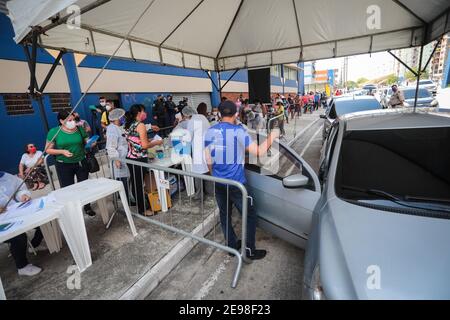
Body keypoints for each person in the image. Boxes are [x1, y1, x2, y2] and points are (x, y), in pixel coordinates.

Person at [204, 100, 279, 260]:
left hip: (219, 182)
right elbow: (258, 151)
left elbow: (208, 158)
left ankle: (231, 247)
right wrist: (272, 136)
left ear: (219, 114)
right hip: (237, 183)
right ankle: (249, 251)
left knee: (225, 215)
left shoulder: (210, 131)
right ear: (236, 114)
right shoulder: (238, 131)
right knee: (250, 214)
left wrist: (214, 175)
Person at [45, 110, 97, 217]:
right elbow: (48, 150)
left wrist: (92, 143)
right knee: (68, 188)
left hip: (81, 162)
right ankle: (73, 211)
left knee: (84, 186)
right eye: (69, 120)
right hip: (64, 164)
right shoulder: (54, 132)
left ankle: (87, 207)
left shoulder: (79, 129)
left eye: (73, 119)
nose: (72, 122)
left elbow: (87, 141)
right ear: (61, 121)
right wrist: (62, 152)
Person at [0, 171, 45, 276]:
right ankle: (22, 266)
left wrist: (22, 195)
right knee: (18, 236)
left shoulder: (7, 177)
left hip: (15, 213)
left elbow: (19, 189)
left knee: (43, 220)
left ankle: (34, 244)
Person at [124, 104, 163, 216]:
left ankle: (140, 206)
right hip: (139, 159)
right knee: (140, 186)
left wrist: (148, 135)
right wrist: (156, 142)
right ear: (139, 113)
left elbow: (136, 140)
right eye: (143, 111)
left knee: (136, 184)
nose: (145, 113)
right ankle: (143, 210)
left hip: (130, 158)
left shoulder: (128, 124)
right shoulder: (140, 125)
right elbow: (145, 145)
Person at [175, 106, 210, 200]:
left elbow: (188, 137)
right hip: (208, 146)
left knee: (197, 172)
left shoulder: (192, 122)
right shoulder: (202, 117)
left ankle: (199, 195)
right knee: (207, 170)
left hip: (199, 149)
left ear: (186, 115)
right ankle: (210, 191)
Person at [106, 108, 130, 200]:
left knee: (125, 179)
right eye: (122, 116)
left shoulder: (120, 127)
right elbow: (111, 146)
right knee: (122, 180)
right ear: (116, 118)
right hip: (119, 158)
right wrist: (116, 159)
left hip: (124, 157)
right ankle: (125, 200)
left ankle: (127, 198)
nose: (123, 118)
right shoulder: (112, 129)